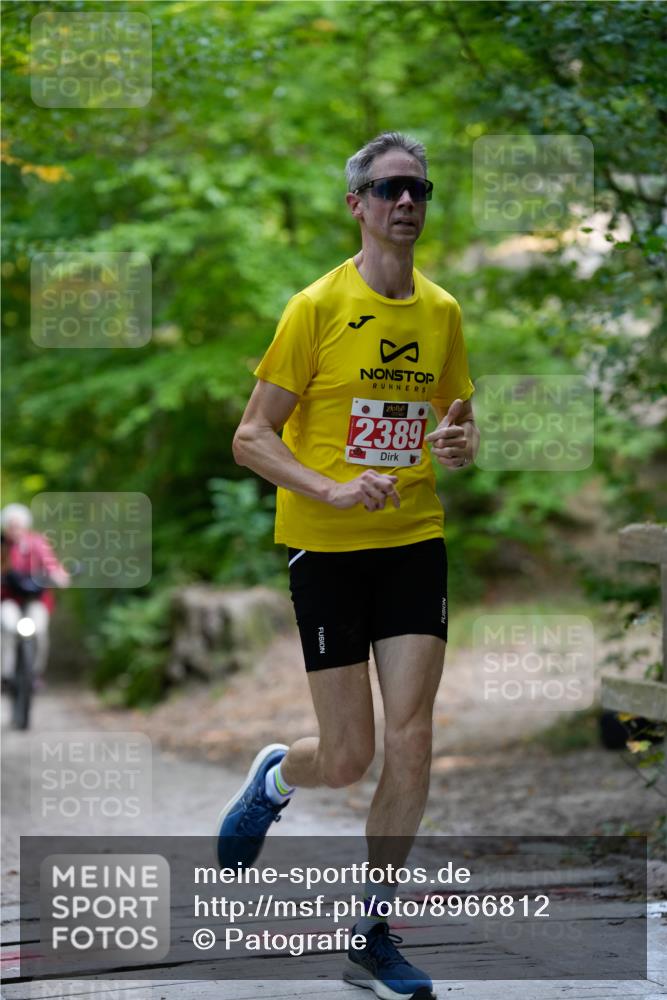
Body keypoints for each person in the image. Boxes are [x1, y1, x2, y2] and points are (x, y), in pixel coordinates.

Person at [215, 131, 479, 1000]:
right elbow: (251, 437)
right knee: (349, 754)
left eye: (419, 189)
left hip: (411, 538)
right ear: (356, 204)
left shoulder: (440, 312)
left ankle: (371, 933)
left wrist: (458, 440)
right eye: (389, 188)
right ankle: (278, 776)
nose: (407, 202)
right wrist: (328, 489)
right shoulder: (315, 308)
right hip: (324, 547)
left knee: (410, 740)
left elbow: (458, 426)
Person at [1, 503, 70, 684]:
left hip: (35, 600)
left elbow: (51, 564)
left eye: (18, 526)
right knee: (8, 627)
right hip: (9, 599)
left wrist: (59, 576)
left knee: (39, 631)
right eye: (11, 526)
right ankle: (6, 675)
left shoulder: (37, 543)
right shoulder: (2, 547)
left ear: (25, 526)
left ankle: (35, 674)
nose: (15, 530)